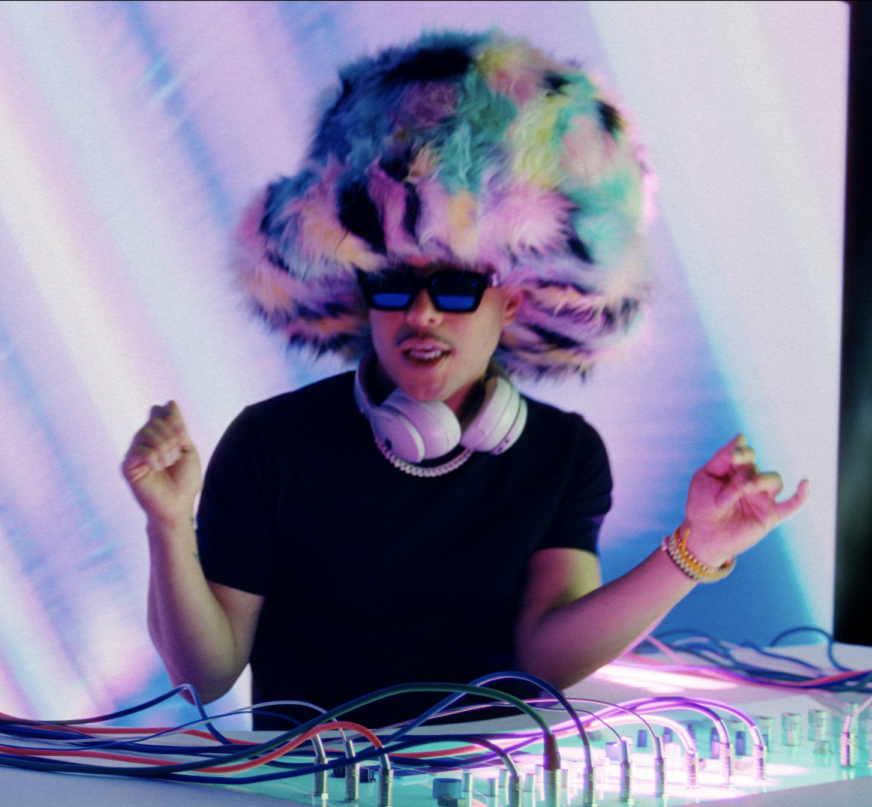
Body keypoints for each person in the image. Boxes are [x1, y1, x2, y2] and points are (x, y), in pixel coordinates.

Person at [121, 31, 808, 728]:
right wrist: (168, 525)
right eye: (394, 284)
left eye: (455, 287)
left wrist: (695, 552)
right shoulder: (272, 440)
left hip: (496, 785)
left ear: (511, 300)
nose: (421, 313)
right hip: (309, 779)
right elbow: (207, 674)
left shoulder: (563, 453)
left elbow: (546, 658)